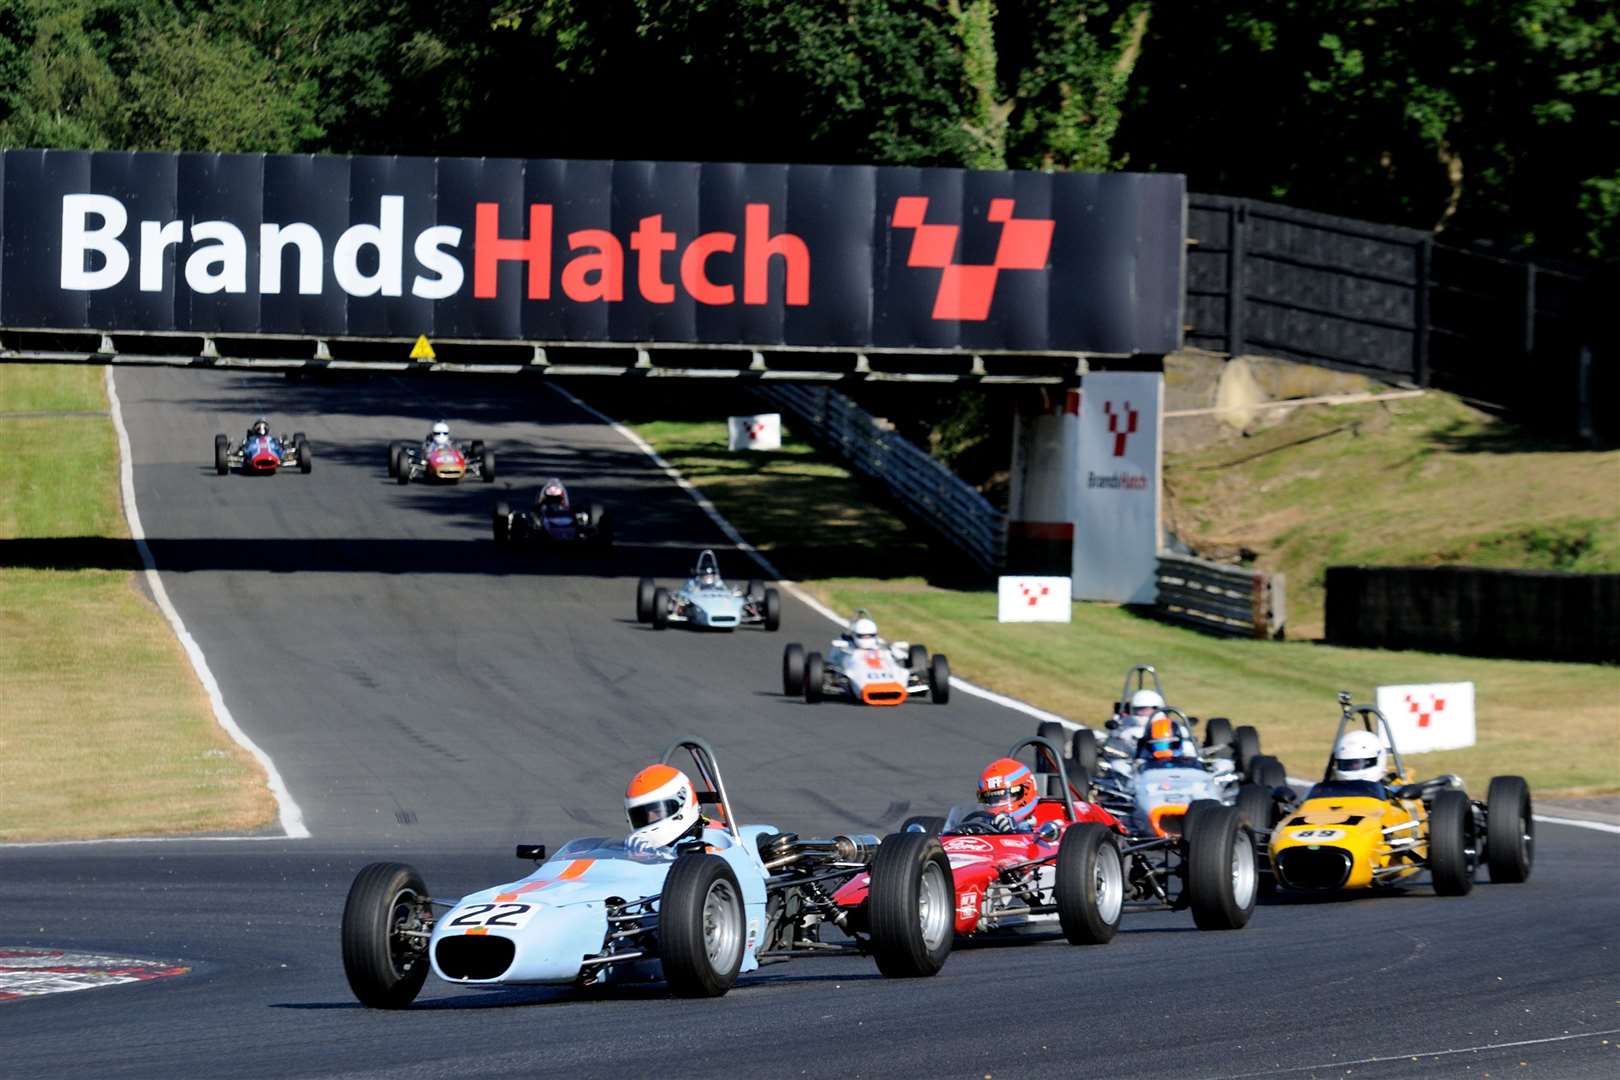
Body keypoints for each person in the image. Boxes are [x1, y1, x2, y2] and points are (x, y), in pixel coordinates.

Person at [624, 763, 702, 856]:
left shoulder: (711, 842)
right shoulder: (636, 846)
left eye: (657, 812)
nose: (650, 819)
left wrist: (652, 854)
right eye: (641, 816)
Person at [967, 757, 1039, 833]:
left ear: (1026, 791)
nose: (998, 804)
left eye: (1004, 797)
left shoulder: (1045, 829)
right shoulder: (982, 825)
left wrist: (1019, 829)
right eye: (992, 799)